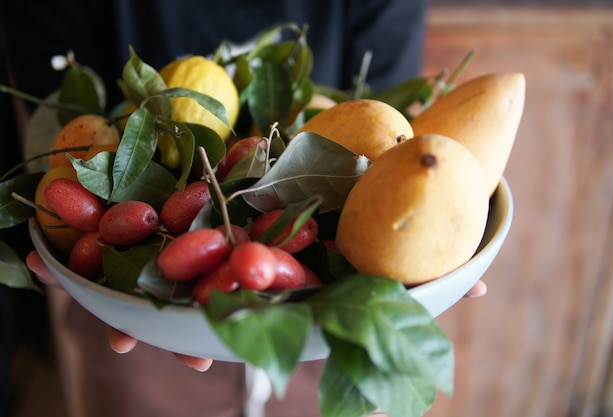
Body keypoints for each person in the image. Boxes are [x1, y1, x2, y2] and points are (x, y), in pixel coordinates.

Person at [1, 1, 486, 416]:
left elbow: (394, 136)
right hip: (141, 338)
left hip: (320, 340)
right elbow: (73, 130)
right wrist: (103, 281)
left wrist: (432, 251)